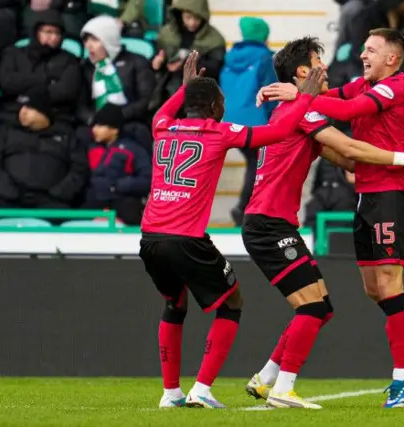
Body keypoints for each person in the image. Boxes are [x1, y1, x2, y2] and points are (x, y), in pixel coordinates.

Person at [242, 36, 404, 409]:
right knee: (362, 293)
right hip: (294, 216)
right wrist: (402, 156)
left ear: (393, 57)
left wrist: (403, 155)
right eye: (362, 47)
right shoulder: (315, 107)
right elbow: (347, 141)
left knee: (377, 288)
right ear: (305, 70)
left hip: (385, 196)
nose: (360, 54)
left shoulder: (392, 86)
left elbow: (349, 143)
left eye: (370, 49)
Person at [138, 52, 325, 409]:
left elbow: (163, 111)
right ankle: (202, 390)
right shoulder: (219, 132)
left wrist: (185, 89)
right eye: (221, 102)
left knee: (174, 306)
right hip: (186, 238)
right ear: (212, 105)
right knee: (231, 303)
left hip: (150, 238)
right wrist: (306, 98)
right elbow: (281, 131)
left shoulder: (162, 127)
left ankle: (171, 393)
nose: (225, 107)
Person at [0, 87, 88, 210]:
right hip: (9, 200)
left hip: (52, 202)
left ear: (43, 111)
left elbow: (79, 168)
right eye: (21, 108)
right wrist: (7, 191)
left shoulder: (67, 134)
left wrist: (58, 193)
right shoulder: (6, 131)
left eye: (28, 108)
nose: (22, 112)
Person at [220, 16, 278, 225]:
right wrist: (276, 121)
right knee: (260, 163)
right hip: (255, 122)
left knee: (256, 162)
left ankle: (248, 209)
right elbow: (270, 92)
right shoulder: (265, 58)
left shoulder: (230, 56)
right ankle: (245, 209)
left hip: (228, 120)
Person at [78, 15, 155, 152]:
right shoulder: (86, 67)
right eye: (86, 40)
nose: (89, 45)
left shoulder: (137, 62)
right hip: (96, 125)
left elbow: (145, 100)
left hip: (129, 122)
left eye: (95, 40)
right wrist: (94, 120)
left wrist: (115, 119)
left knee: (139, 134)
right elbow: (79, 104)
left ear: (109, 40)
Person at [0, 10, 82, 126]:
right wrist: (44, 80)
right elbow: (7, 81)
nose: (53, 38)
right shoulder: (14, 53)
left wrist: (27, 94)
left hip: (53, 117)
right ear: (36, 32)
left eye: (57, 33)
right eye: (48, 32)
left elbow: (66, 91)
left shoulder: (69, 60)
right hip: (13, 114)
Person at [82, 103, 151, 225]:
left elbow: (148, 179)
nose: (94, 129)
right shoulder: (89, 147)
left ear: (114, 129)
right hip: (94, 202)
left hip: (122, 202)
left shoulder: (132, 149)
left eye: (100, 125)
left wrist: (118, 185)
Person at [156, 0, 226, 81]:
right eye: (188, 17)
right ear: (180, 14)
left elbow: (216, 67)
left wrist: (187, 65)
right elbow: (158, 56)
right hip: (169, 85)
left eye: (197, 18)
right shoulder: (166, 34)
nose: (192, 23)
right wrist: (158, 62)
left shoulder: (215, 39)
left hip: (199, 86)